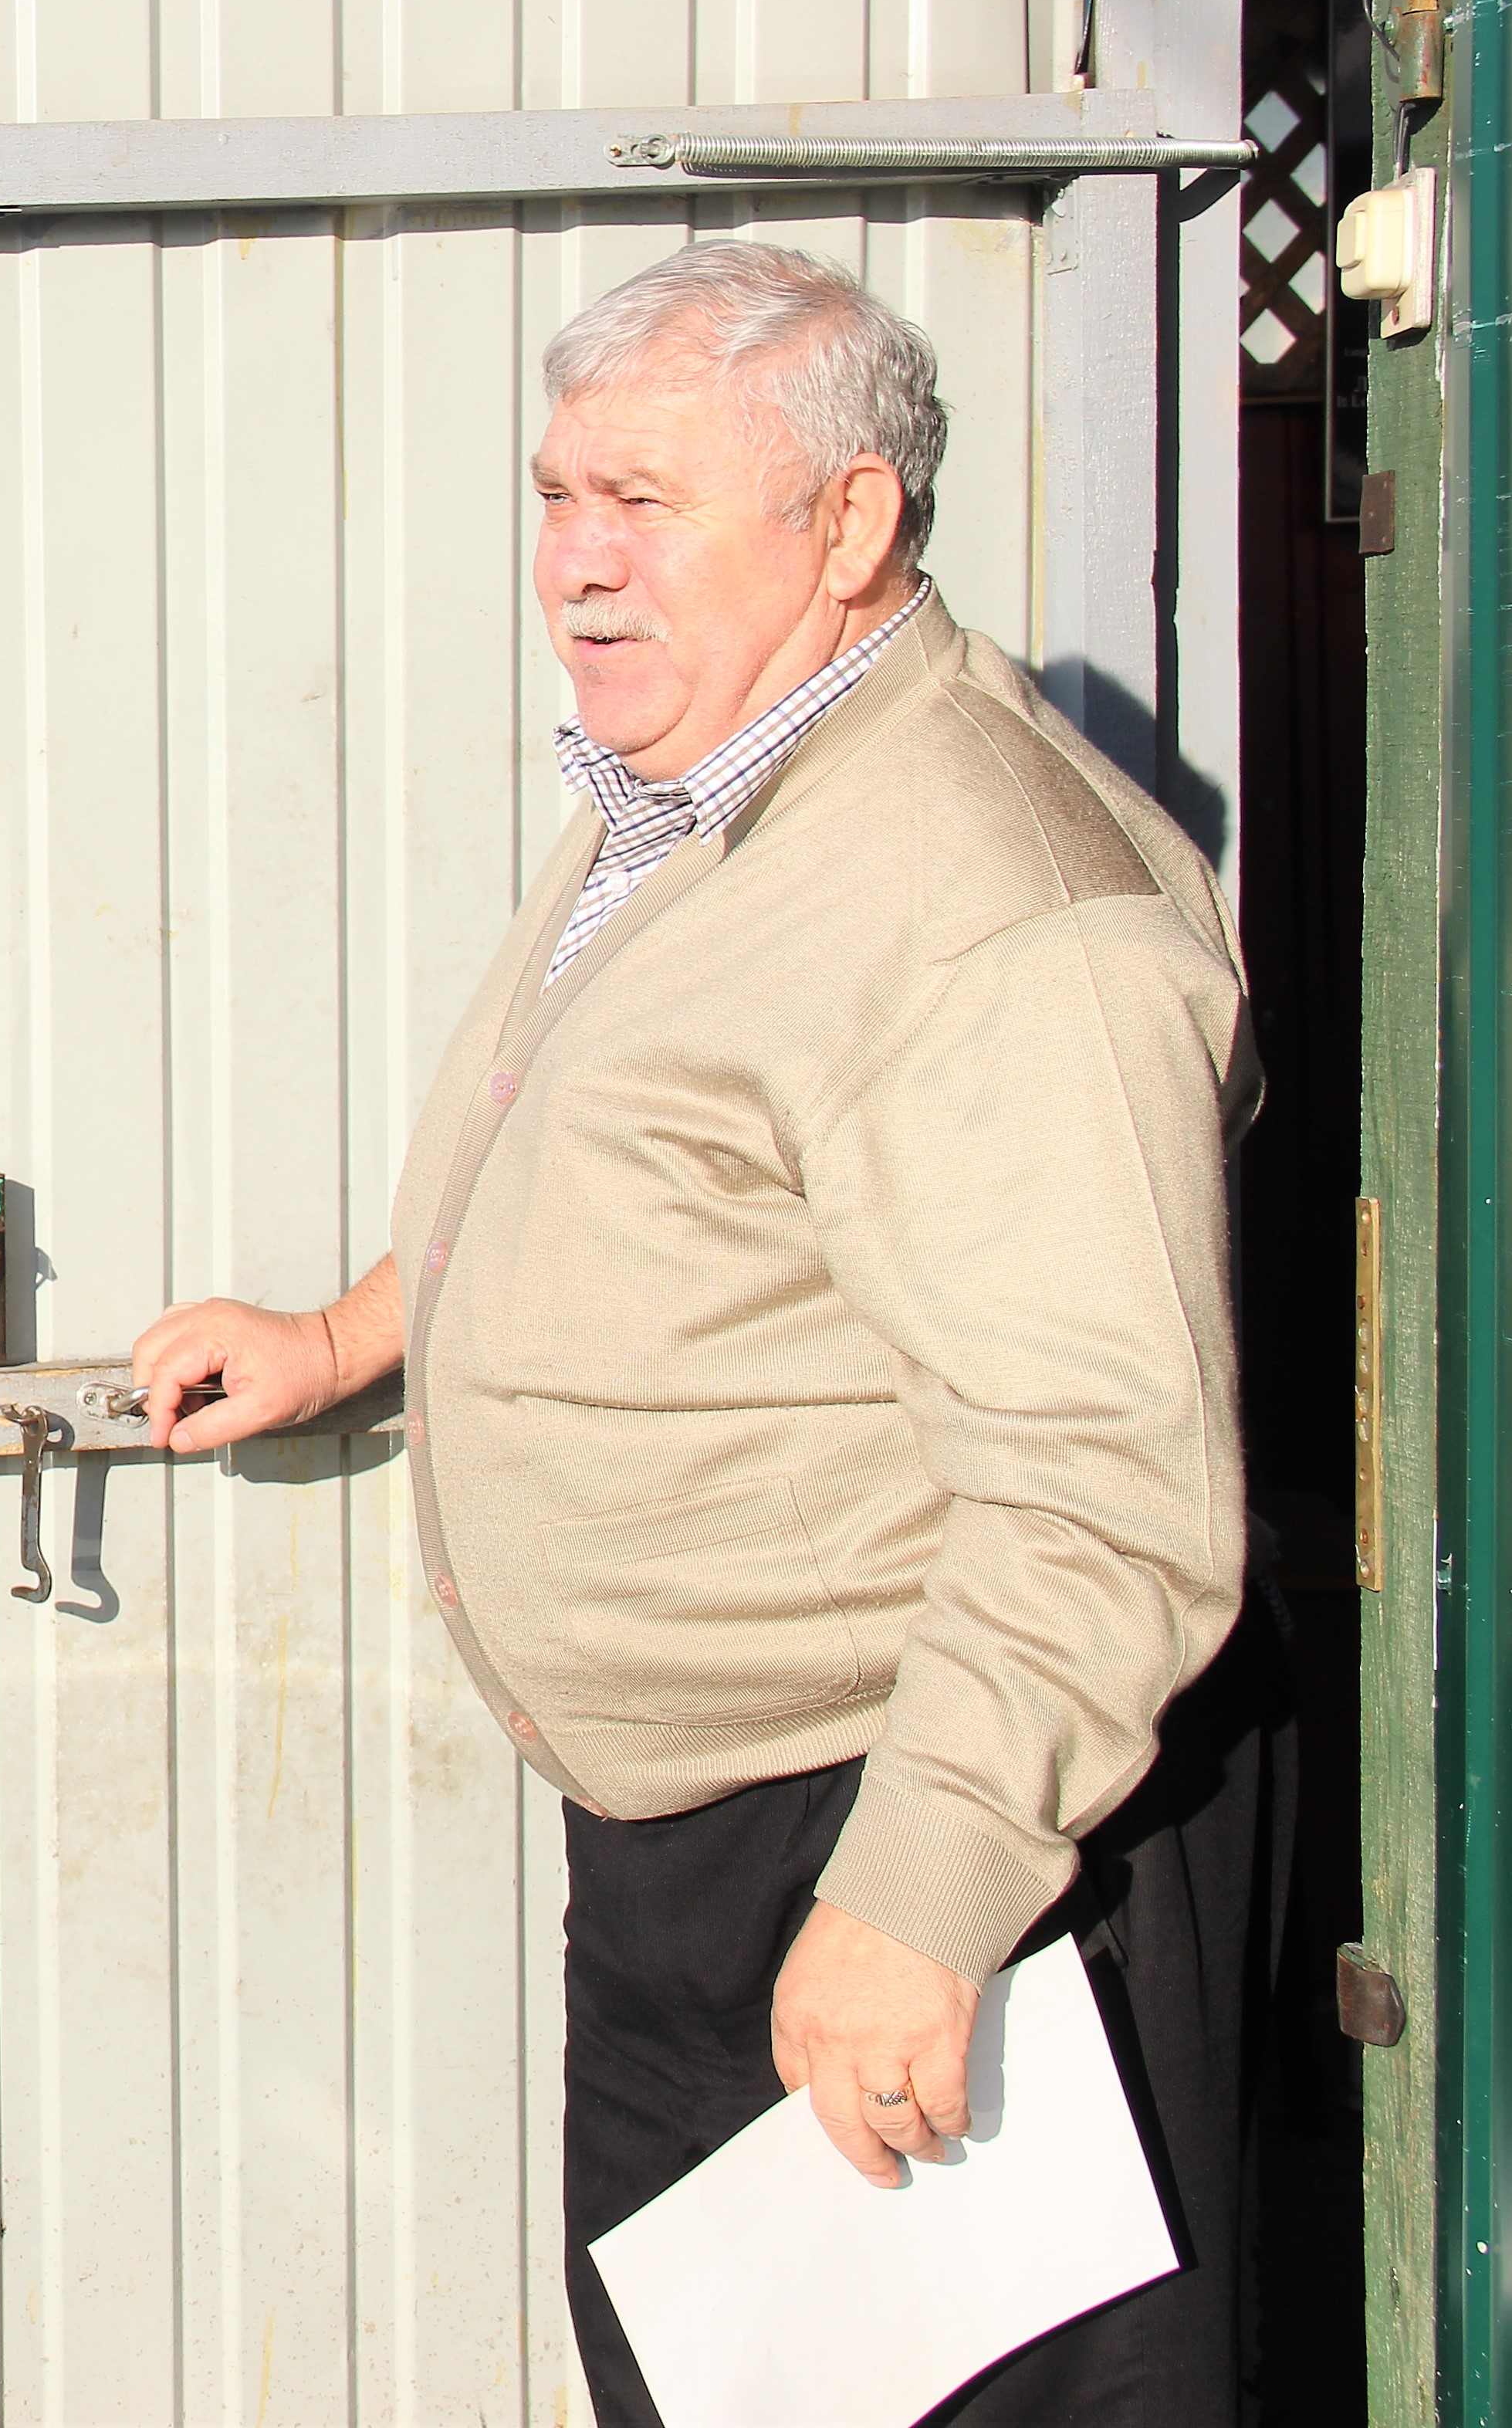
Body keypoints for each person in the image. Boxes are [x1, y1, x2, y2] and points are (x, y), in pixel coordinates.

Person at [129, 242, 1274, 2425]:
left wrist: (923, 1898)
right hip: (721, 1837)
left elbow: (1109, 1483)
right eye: (560, 497)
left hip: (926, 1829)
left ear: (852, 526)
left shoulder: (1006, 909)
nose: (575, 566)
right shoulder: (717, 779)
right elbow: (682, 1177)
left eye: (645, 504)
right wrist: (359, 1334)